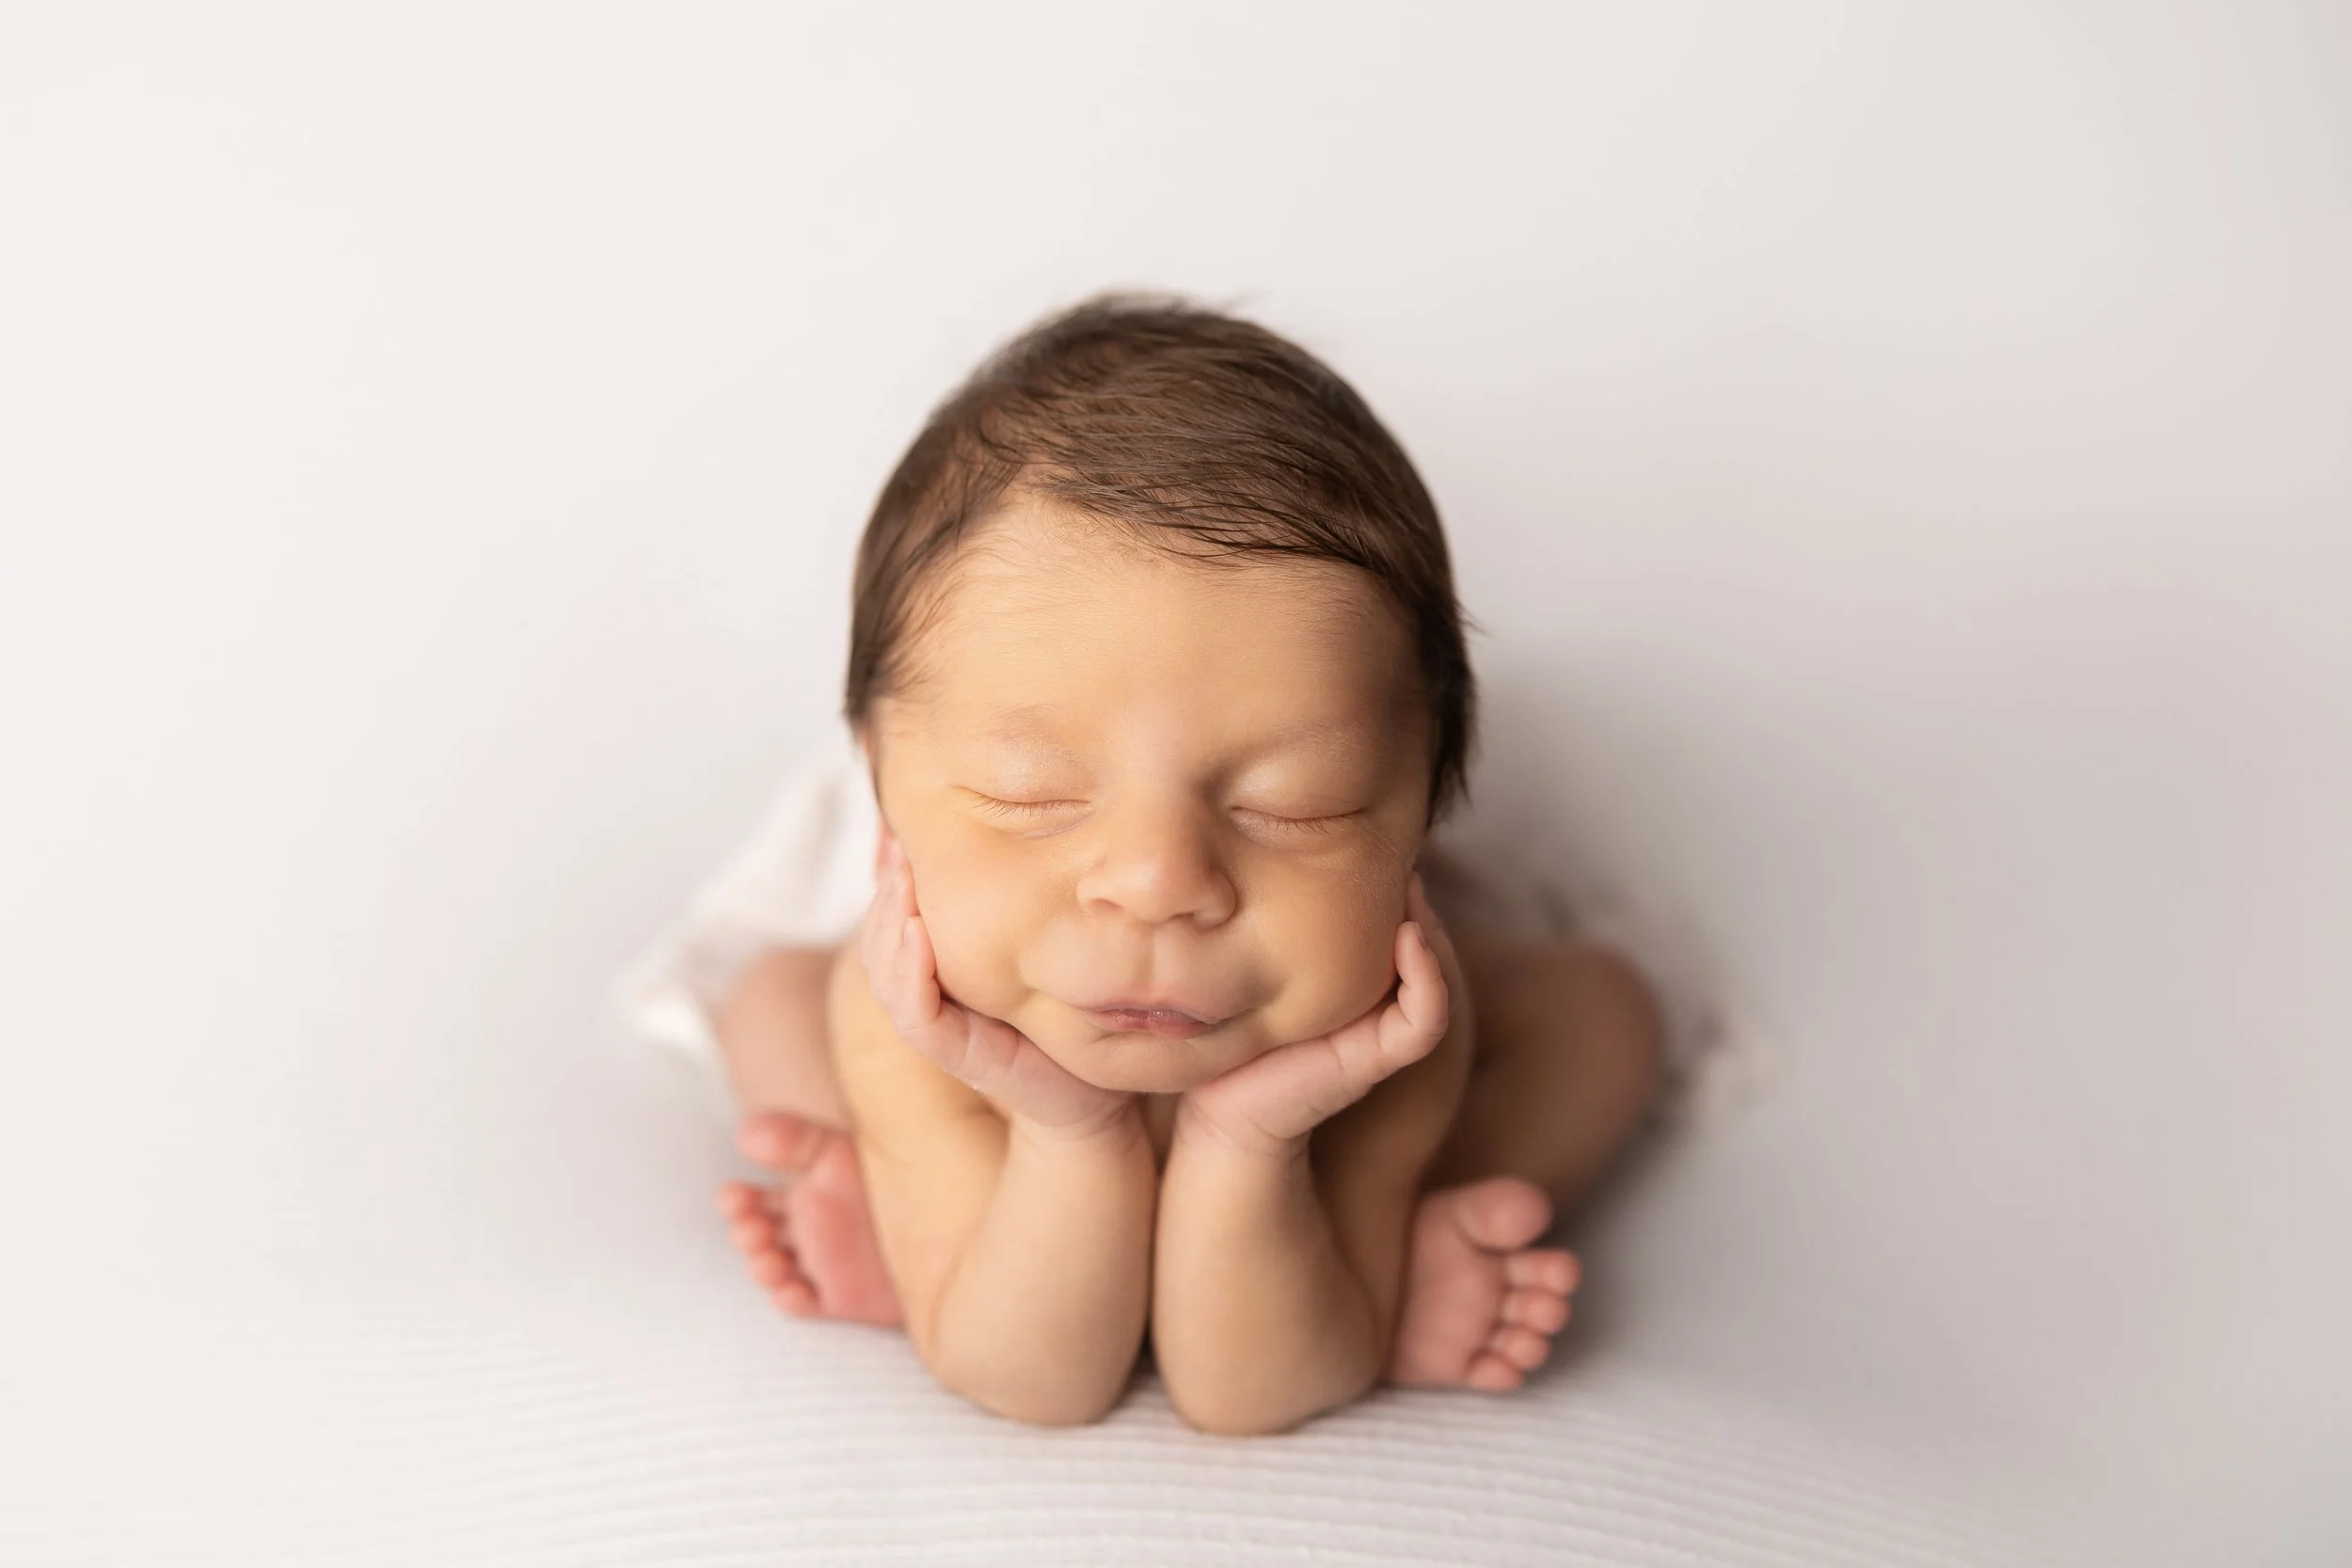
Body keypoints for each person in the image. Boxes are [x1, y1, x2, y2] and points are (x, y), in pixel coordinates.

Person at [687, 295, 1663, 1433]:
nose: (1158, 879)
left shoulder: (1390, 1023)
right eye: (1030, 795)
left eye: (1298, 803)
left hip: (1326, 1064)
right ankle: (918, 1221)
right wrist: (1066, 1127)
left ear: (1419, 816)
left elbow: (1253, 1392)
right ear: (881, 788)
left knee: (1604, 1011)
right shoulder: (910, 1008)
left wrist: (1252, 1136)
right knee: (770, 1003)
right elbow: (1034, 1379)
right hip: (971, 1054)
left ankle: (1403, 1228)